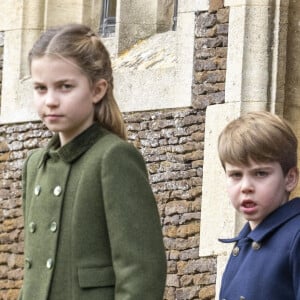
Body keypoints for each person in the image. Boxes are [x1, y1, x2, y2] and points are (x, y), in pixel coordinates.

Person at [18, 23, 166, 300]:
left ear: (97, 90)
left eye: (65, 87)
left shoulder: (113, 157)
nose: (50, 100)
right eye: (40, 88)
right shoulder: (35, 164)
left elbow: (141, 273)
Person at [217, 111, 300, 300]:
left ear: (290, 178)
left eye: (260, 173)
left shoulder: (296, 237)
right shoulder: (243, 243)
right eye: (236, 175)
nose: (246, 187)